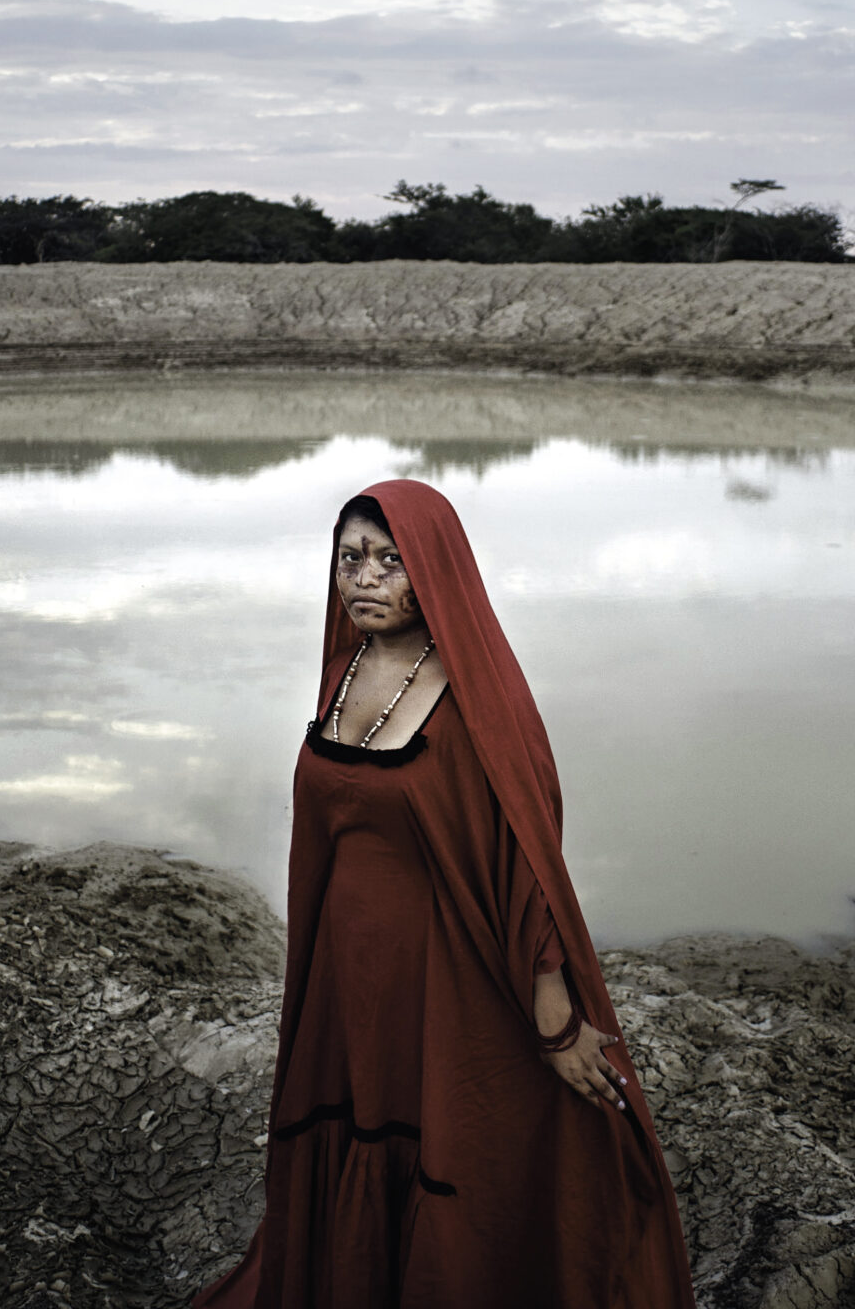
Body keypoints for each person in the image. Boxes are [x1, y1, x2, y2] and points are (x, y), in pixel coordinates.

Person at [196, 478, 696, 1309]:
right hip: (344, 975)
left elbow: (526, 861)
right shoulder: (344, 672)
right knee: (355, 1126)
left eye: (392, 562)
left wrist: (555, 1017)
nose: (366, 578)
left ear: (437, 570)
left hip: (444, 976)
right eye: (351, 558)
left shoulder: (477, 702)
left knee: (451, 1145)